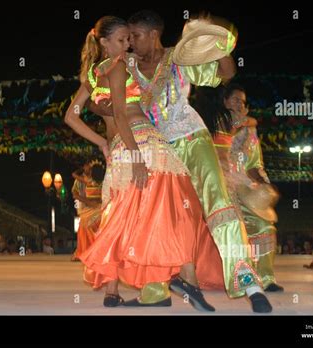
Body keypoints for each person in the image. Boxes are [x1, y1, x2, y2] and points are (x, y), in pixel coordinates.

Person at [87, 11, 272, 312]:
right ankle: (156, 292)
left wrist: (220, 43)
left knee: (220, 206)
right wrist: (102, 106)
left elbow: (225, 74)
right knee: (158, 216)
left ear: (154, 34)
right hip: (158, 149)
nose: (130, 42)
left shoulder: (180, 57)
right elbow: (97, 96)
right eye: (127, 37)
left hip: (193, 140)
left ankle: (249, 282)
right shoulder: (127, 64)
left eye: (135, 35)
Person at [66, 15, 216, 311]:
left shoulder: (93, 75)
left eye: (129, 39)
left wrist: (102, 142)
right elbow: (121, 114)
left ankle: (115, 291)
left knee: (124, 212)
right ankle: (186, 279)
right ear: (104, 42)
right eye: (122, 40)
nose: (128, 45)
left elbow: (71, 116)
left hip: (122, 147)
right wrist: (135, 158)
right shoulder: (120, 65)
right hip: (141, 144)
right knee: (172, 207)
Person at [196, 83, 283, 291]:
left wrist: (264, 186)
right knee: (227, 230)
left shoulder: (249, 129)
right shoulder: (212, 122)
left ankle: (266, 278)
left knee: (264, 226)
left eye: (242, 102)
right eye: (235, 99)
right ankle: (226, 277)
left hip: (243, 185)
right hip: (217, 186)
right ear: (224, 101)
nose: (239, 104)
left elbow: (253, 163)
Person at [71, 161, 103, 261]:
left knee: (85, 225)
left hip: (94, 209)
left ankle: (89, 252)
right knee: (84, 224)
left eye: (91, 169)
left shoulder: (89, 182)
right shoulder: (98, 182)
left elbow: (74, 174)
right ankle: (91, 252)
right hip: (96, 209)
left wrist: (80, 198)